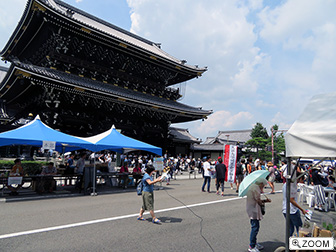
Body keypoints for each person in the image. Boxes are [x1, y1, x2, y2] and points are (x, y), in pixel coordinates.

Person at [246, 178, 271, 252]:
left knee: (255, 226)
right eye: (263, 185)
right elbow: (258, 200)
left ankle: (254, 243)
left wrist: (264, 200)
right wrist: (265, 201)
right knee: (255, 227)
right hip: (253, 209)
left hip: (251, 208)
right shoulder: (256, 188)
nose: (263, 187)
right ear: (260, 183)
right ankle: (252, 246)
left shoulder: (253, 186)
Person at [282, 171, 307, 237]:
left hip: (285, 209)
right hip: (292, 210)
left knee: (290, 228)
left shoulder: (285, 184)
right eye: (302, 179)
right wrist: (302, 209)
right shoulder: (291, 186)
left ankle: (289, 243)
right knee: (299, 228)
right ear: (298, 178)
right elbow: (291, 200)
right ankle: (298, 242)